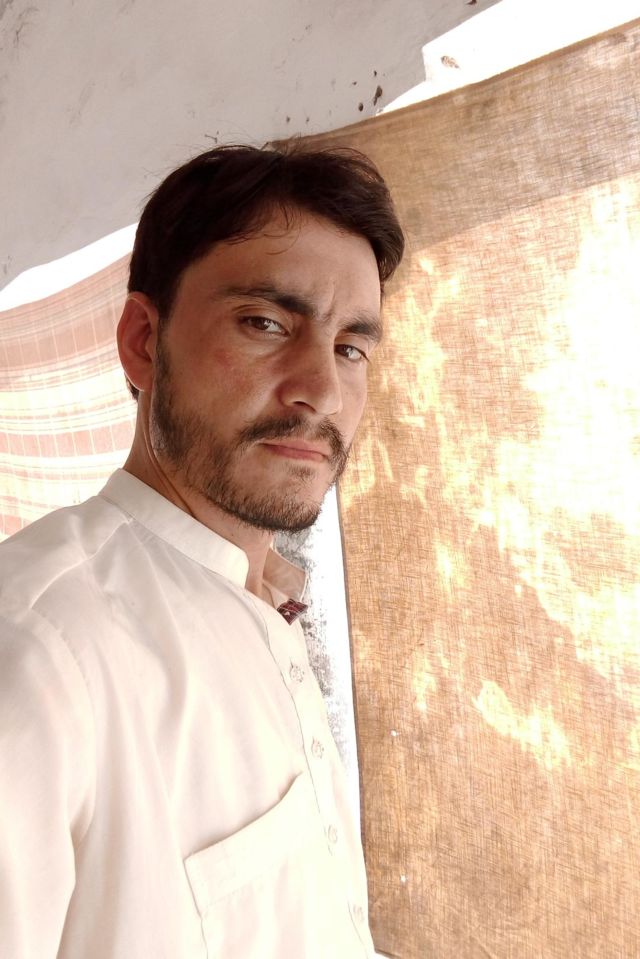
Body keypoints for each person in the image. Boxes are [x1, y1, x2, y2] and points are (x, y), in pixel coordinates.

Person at [0, 142, 404, 958]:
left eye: (350, 348)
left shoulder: (270, 605)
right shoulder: (39, 648)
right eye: (266, 323)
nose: (321, 389)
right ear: (143, 342)